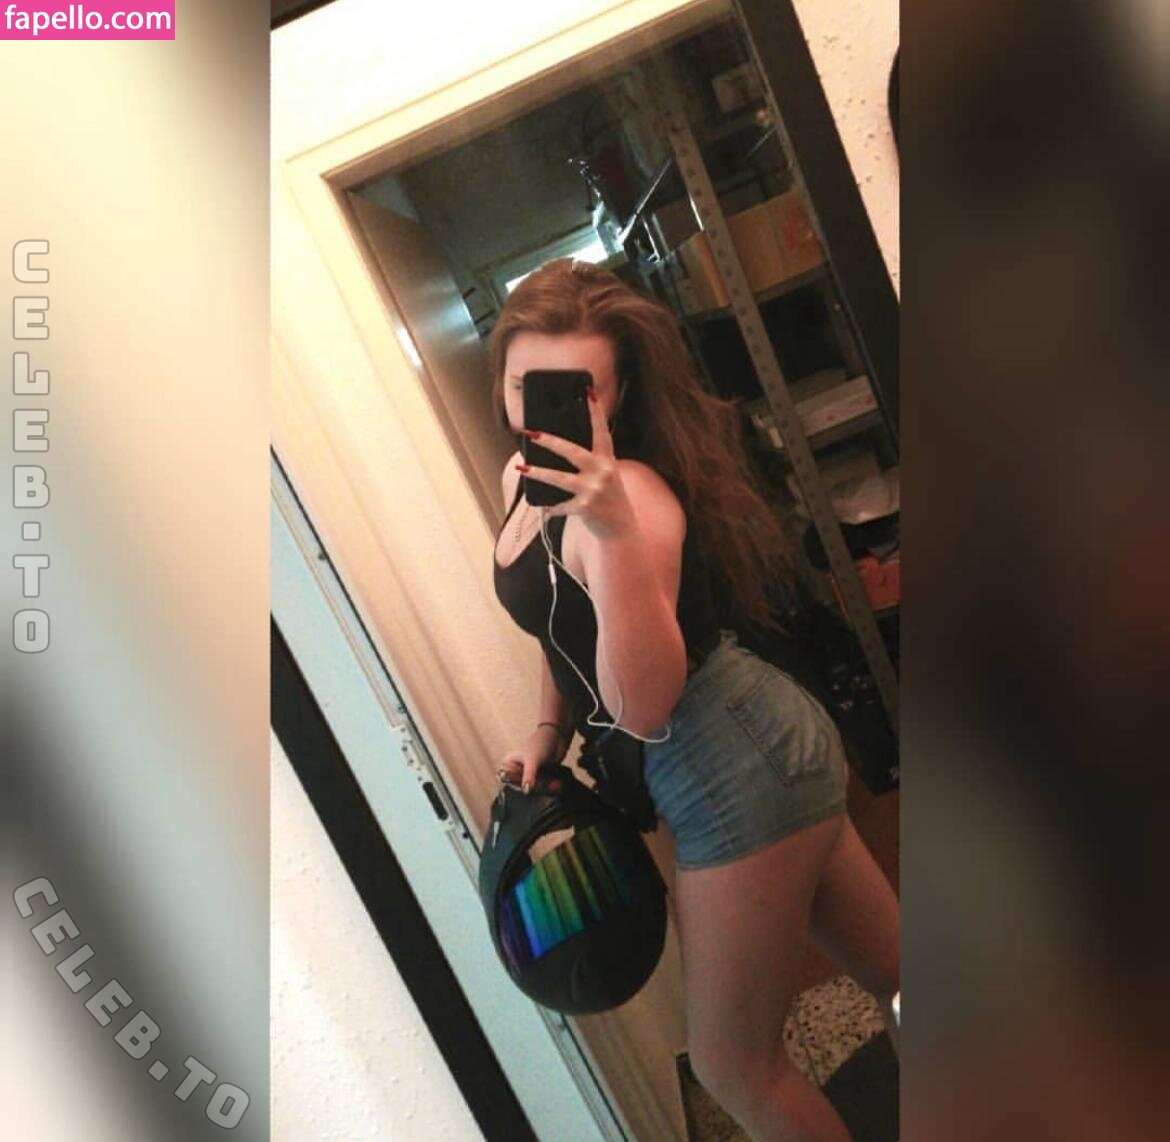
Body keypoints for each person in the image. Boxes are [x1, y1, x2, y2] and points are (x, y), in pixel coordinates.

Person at [490, 258, 899, 1141]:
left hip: (732, 763)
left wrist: (610, 532)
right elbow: (556, 623)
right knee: (899, 973)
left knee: (732, 1067)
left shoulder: (633, 501)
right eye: (528, 387)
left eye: (577, 391)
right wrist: (548, 728)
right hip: (761, 747)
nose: (544, 413)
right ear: (504, 385)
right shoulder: (519, 481)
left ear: (617, 395)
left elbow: (641, 705)